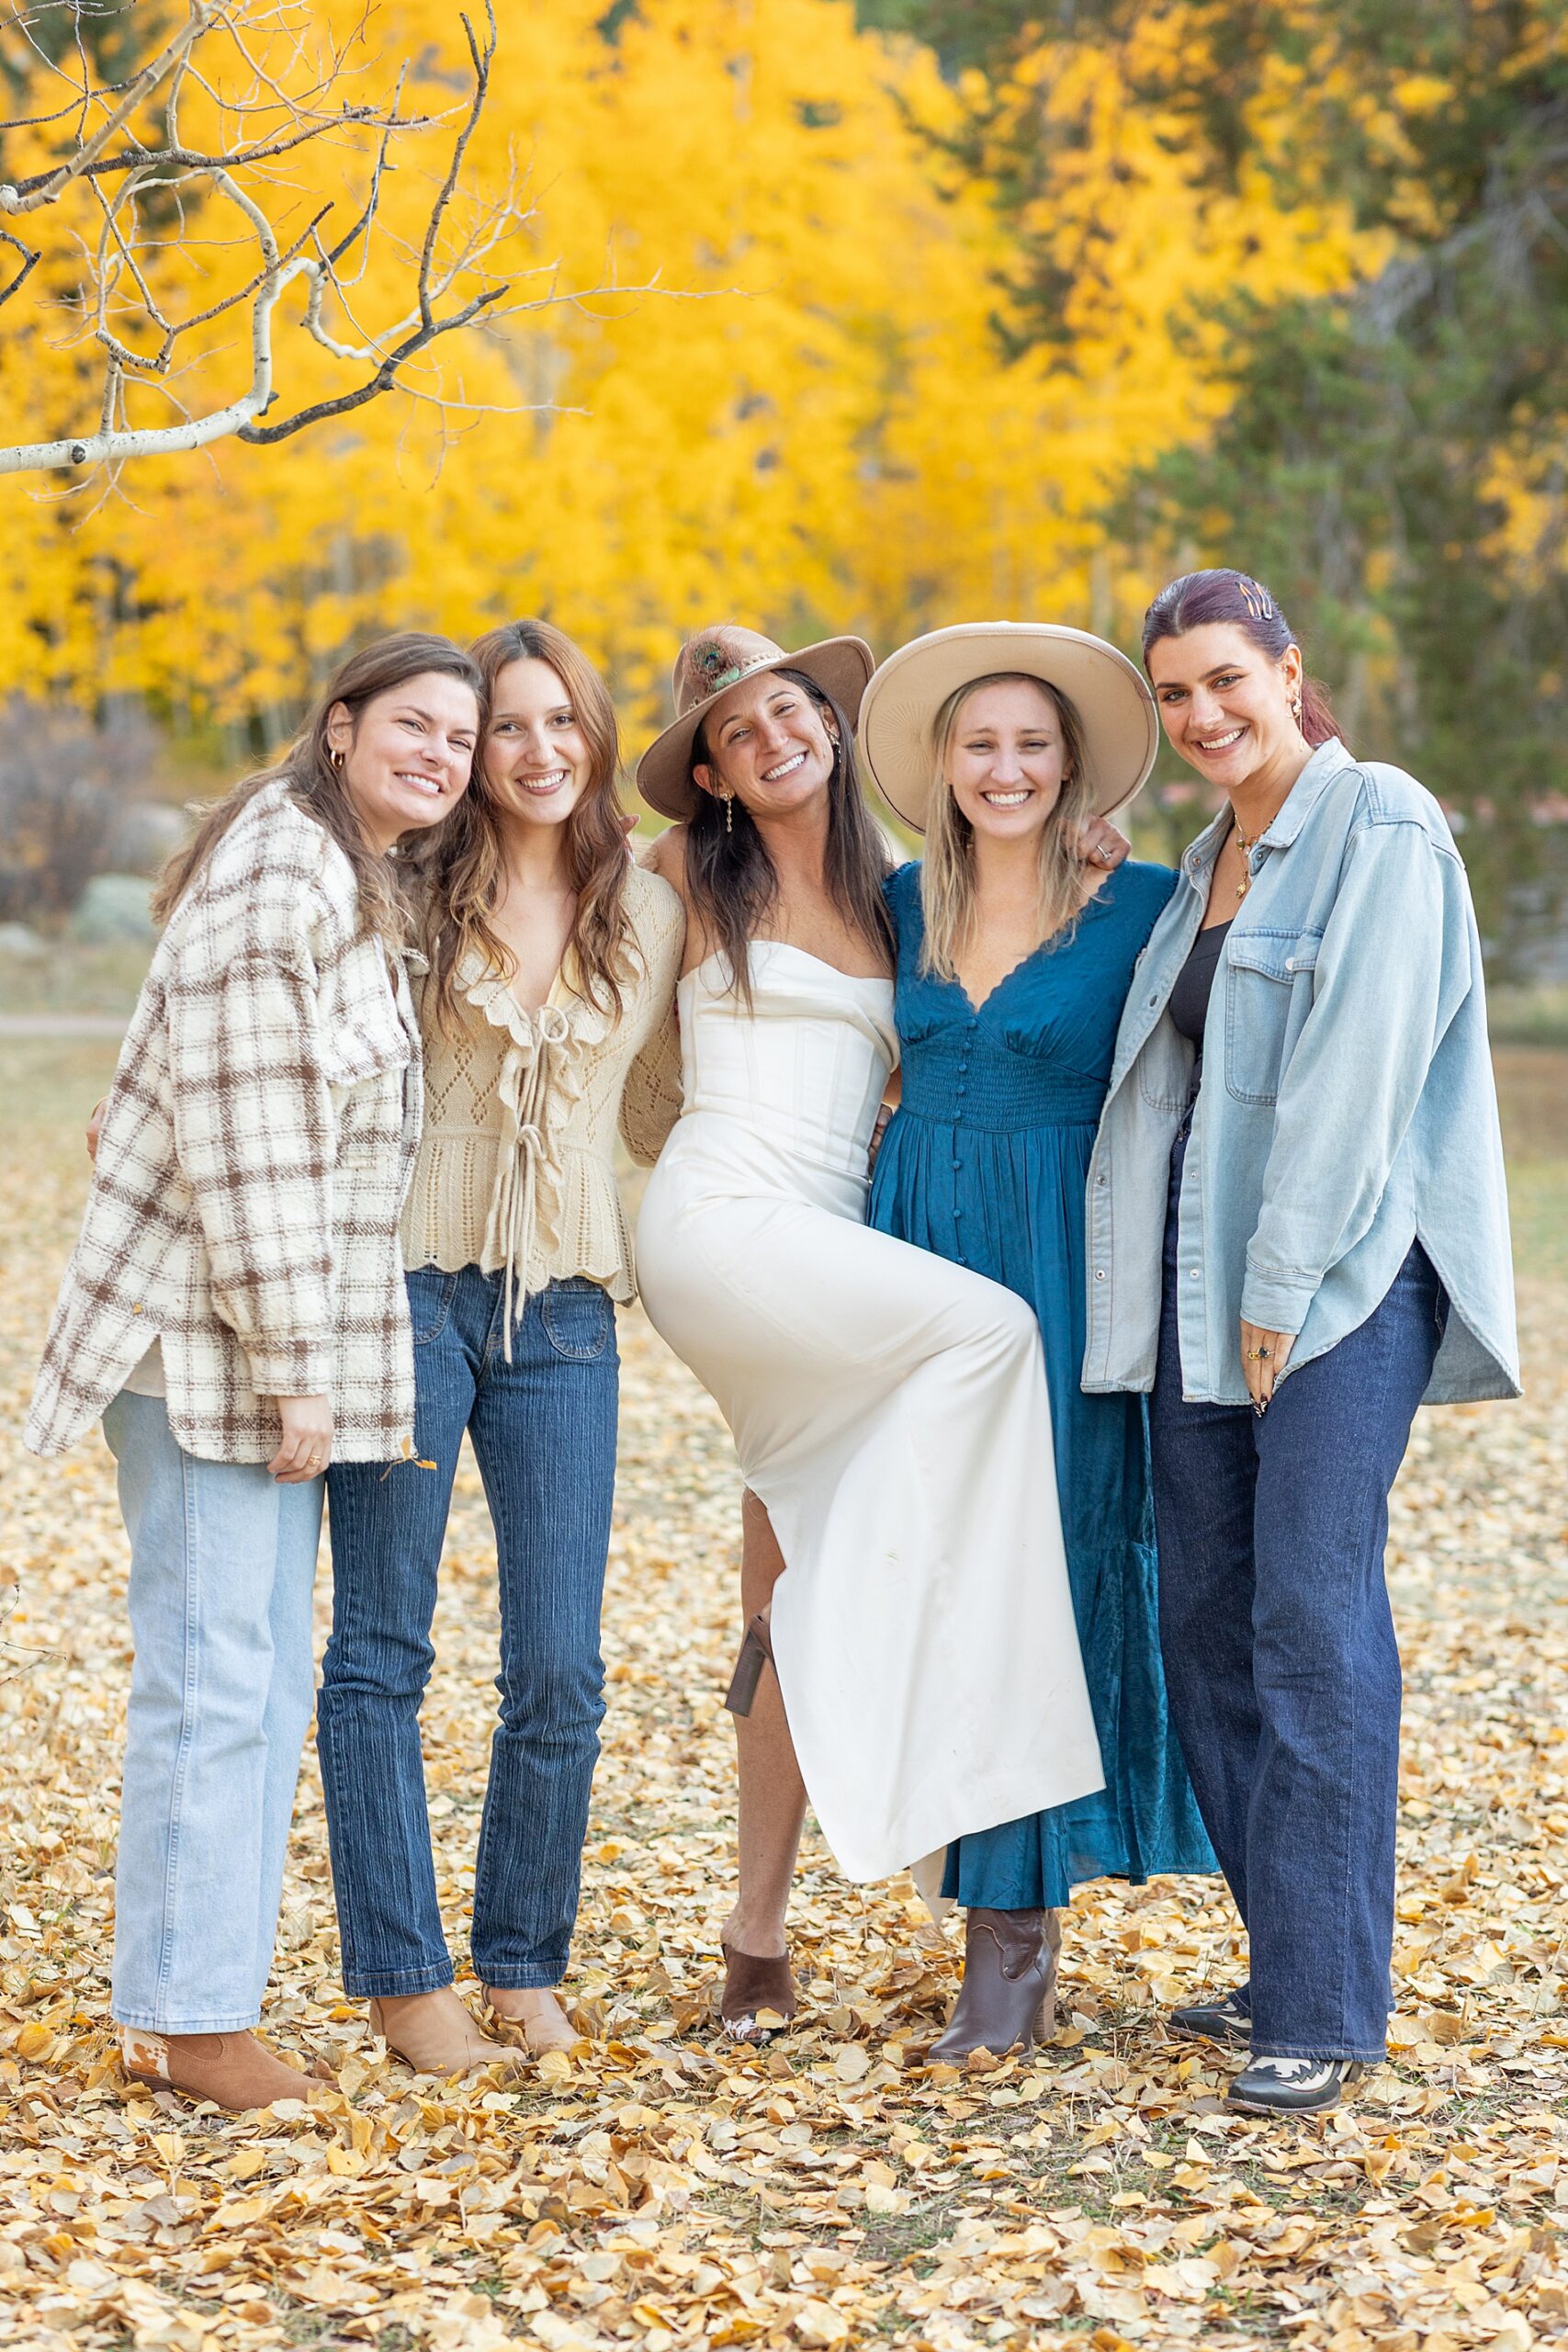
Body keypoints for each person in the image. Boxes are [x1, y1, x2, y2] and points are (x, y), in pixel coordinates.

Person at [631, 622, 1108, 2041]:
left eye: (789, 708)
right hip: (721, 1221)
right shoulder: (677, 880)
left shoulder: (906, 903)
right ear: (710, 776)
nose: (770, 735)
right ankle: (940, 1765)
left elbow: (1000, 981)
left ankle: (753, 1944)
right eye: (735, 730)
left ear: (832, 729)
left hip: (838, 1248)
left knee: (787, 1574)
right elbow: (556, 982)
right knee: (996, 1338)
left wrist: (1083, 855)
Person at [1084, 568, 1519, 2114]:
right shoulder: (1208, 857)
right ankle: (1292, 1952)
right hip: (1203, 1298)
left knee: (1311, 1620)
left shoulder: (1380, 823)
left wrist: (1281, 1284)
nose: (1203, 715)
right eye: (1176, 695)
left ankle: (1325, 2009)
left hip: (1336, 1286)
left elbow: (1355, 1072)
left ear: (1288, 665)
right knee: (1202, 1620)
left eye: (1225, 680)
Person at [28, 635, 482, 2110]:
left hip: (264, 1343)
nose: (441, 754)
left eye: (460, 740)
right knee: (219, 1679)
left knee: (255, 1675)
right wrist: (302, 1373)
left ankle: (192, 1993)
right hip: (214, 1349)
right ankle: (190, 2021)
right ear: (338, 728)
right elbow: (251, 1147)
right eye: (413, 723)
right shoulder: (281, 870)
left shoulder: (346, 876)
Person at [317, 620, 685, 2074]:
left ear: (595, 742)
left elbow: (668, 1100)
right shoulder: (404, 885)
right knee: (380, 1654)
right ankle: (406, 1984)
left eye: (561, 725)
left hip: (568, 1312)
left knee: (560, 1664)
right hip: (405, 1289)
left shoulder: (647, 909)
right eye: (505, 728)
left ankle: (525, 1965)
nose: (535, 753)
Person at [859, 623, 1215, 2058]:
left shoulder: (1142, 905)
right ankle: (979, 1886)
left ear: (1069, 768)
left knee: (1053, 1565)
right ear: (943, 766)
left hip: (1069, 1267)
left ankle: (1015, 1939)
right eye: (980, 744)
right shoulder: (889, 905)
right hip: (915, 1265)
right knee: (942, 1574)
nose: (1006, 769)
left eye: (1032, 745)